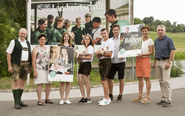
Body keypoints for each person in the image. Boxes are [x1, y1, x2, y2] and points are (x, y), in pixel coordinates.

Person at [6, 28, 32, 109]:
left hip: (26, 64)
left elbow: (30, 54)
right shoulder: (14, 42)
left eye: (24, 34)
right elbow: (8, 54)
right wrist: (9, 66)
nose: (22, 35)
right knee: (16, 82)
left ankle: (20, 101)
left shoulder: (28, 43)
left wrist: (30, 66)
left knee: (22, 83)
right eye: (21, 33)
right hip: (16, 64)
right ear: (18, 33)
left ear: (26, 35)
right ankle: (16, 102)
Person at [153, 25, 175, 107]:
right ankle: (163, 98)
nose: (160, 31)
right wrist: (155, 62)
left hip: (166, 61)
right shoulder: (156, 40)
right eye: (158, 30)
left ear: (164, 31)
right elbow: (156, 51)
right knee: (161, 81)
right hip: (158, 61)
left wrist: (169, 62)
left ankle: (169, 100)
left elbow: (172, 51)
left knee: (166, 81)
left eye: (162, 30)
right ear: (157, 31)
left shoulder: (169, 40)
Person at [133, 25, 154, 104]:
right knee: (140, 78)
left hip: (145, 59)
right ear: (141, 32)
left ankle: (147, 96)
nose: (144, 32)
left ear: (148, 31)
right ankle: (140, 95)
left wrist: (143, 54)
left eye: (146, 31)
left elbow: (151, 52)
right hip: (138, 59)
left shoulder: (150, 40)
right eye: (143, 31)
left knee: (147, 78)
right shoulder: (139, 40)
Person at [32, 34, 54, 106]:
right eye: (41, 39)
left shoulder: (48, 48)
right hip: (39, 68)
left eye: (44, 39)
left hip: (48, 69)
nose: (43, 41)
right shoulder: (36, 48)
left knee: (49, 83)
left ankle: (47, 98)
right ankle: (40, 100)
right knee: (40, 83)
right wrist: (34, 70)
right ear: (39, 40)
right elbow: (33, 60)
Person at [96, 28, 113, 106]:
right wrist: (98, 54)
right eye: (102, 33)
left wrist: (101, 53)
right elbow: (99, 54)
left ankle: (107, 98)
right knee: (103, 80)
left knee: (104, 80)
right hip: (102, 61)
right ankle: (105, 97)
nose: (103, 35)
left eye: (105, 33)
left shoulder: (110, 42)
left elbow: (109, 54)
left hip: (106, 61)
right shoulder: (102, 42)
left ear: (108, 33)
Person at [108, 24, 126, 102]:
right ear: (112, 31)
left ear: (119, 30)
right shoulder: (110, 40)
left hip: (121, 61)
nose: (115, 31)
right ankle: (110, 94)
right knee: (110, 78)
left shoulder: (123, 39)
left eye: (117, 29)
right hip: (112, 61)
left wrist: (124, 55)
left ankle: (120, 94)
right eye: (114, 30)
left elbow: (126, 49)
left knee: (121, 78)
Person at [77, 35, 94, 103]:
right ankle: (83, 96)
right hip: (81, 64)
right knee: (80, 81)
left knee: (86, 82)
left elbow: (89, 57)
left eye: (88, 39)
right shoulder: (83, 48)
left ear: (90, 40)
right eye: (85, 39)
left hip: (87, 64)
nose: (86, 40)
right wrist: (79, 57)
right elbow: (78, 59)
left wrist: (82, 56)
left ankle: (88, 97)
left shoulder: (90, 47)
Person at [58, 32, 74, 105]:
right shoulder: (59, 45)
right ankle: (61, 99)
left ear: (69, 38)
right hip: (61, 66)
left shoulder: (72, 46)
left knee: (68, 83)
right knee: (62, 83)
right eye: (65, 36)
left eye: (67, 36)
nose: (66, 38)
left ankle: (66, 98)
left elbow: (73, 56)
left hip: (69, 66)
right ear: (63, 37)